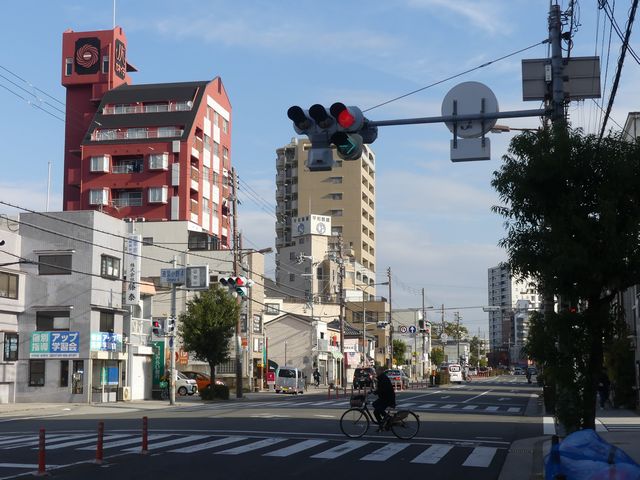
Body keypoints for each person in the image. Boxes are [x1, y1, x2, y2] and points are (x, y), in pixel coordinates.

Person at [370, 366, 396, 431]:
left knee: (376, 409)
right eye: (376, 371)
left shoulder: (384, 378)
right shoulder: (381, 378)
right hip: (384, 398)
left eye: (377, 371)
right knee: (375, 408)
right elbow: (380, 389)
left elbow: (383, 389)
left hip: (388, 398)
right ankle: (382, 424)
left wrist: (376, 392)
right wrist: (374, 391)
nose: (376, 372)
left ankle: (387, 419)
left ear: (381, 371)